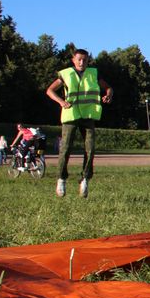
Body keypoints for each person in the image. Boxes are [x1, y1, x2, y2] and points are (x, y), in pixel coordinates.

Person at [46, 48, 113, 198]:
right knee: (66, 148)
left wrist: (108, 95)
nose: (82, 62)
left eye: (85, 59)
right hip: (71, 115)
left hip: (88, 116)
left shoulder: (94, 74)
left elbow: (108, 88)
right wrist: (61, 102)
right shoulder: (65, 74)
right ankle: (61, 179)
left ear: (88, 60)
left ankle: (85, 179)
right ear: (73, 60)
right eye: (79, 59)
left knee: (90, 148)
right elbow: (50, 90)